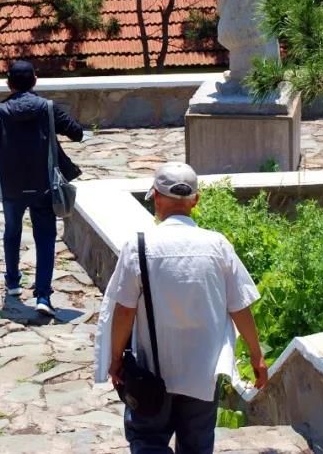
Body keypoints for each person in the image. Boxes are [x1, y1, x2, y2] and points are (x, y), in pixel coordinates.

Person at [100, 162, 269, 454]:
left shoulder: (138, 247)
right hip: (203, 374)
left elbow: (124, 311)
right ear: (196, 201)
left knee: (147, 441)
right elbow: (239, 306)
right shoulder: (218, 246)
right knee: (196, 447)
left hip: (152, 371)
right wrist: (257, 356)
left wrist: (115, 359)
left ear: (154, 196)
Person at [0, 60, 83, 316]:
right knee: (45, 238)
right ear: (35, 80)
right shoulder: (49, 108)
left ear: (9, 83)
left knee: (12, 231)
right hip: (44, 184)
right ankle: (43, 296)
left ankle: (12, 283)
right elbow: (76, 132)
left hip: (11, 186)